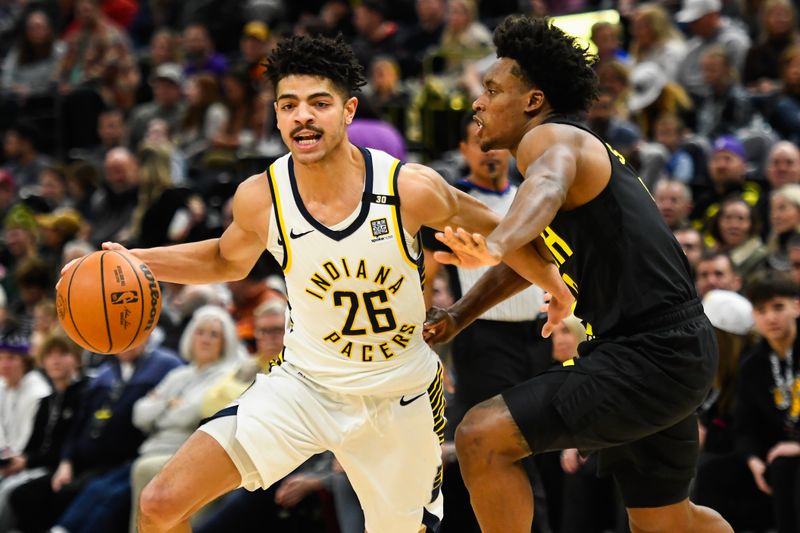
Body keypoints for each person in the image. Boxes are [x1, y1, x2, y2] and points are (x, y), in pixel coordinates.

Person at [72, 33, 567, 533]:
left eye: (318, 104)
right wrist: (136, 260)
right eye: (288, 105)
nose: (301, 116)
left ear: (349, 110)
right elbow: (225, 258)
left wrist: (558, 287)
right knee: (160, 503)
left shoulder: (407, 188)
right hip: (305, 387)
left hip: (396, 399)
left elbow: (506, 228)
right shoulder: (262, 196)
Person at [424, 16, 732, 532]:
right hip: (666, 348)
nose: (477, 102)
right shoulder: (570, 147)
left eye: (492, 89)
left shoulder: (551, 141)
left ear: (533, 101)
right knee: (671, 523)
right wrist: (458, 315)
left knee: (480, 435)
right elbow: (537, 253)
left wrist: (494, 245)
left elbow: (544, 189)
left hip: (649, 353)